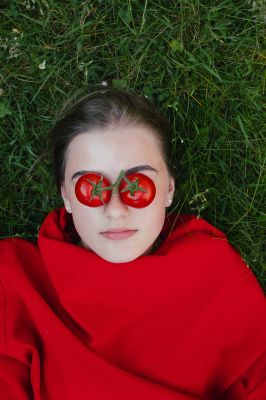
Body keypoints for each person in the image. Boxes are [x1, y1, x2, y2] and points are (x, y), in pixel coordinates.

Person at [0, 85, 265, 399]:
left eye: (137, 184)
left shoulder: (217, 275)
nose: (115, 210)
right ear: (66, 196)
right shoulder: (17, 282)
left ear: (168, 189)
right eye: (91, 186)